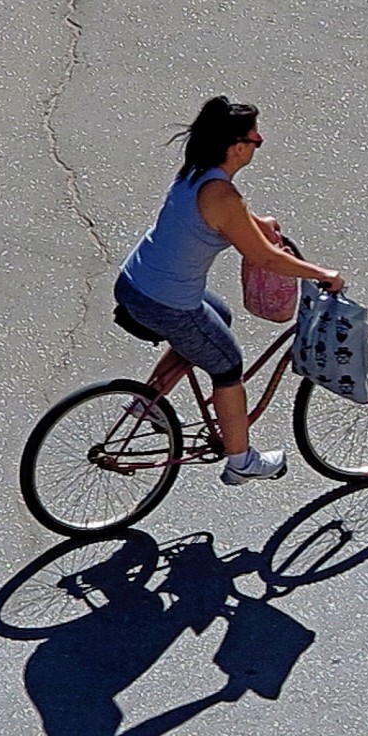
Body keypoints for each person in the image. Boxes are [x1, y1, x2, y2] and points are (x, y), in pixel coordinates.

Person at [114, 95, 345, 485]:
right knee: (228, 365)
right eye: (255, 139)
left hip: (135, 282)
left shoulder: (195, 171)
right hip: (166, 302)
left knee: (216, 315)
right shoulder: (222, 195)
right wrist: (322, 273)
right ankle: (241, 460)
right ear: (237, 148)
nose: (258, 142)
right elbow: (266, 258)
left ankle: (147, 403)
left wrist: (259, 221)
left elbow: (232, 217)